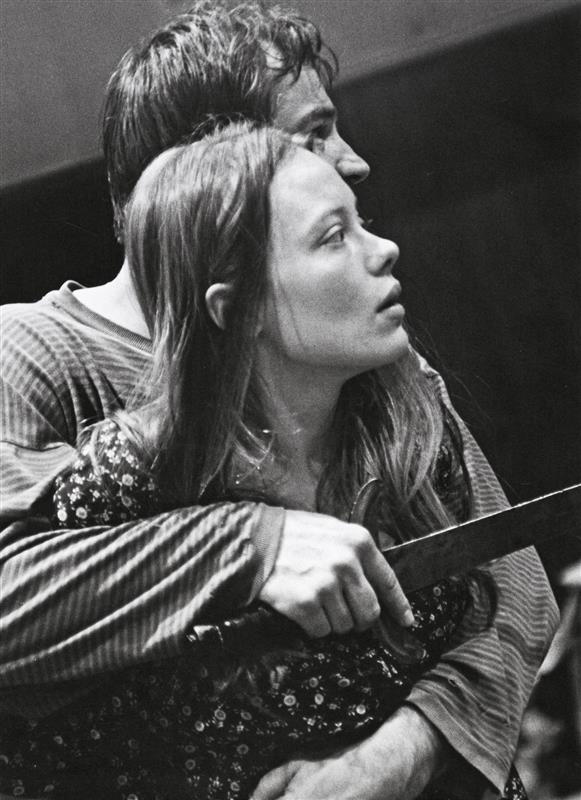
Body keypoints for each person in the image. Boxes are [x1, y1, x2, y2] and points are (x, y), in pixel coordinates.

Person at [0, 3, 558, 799]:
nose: (351, 162)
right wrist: (249, 542)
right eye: (311, 136)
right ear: (209, 168)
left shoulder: (361, 358)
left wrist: (400, 753)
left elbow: (515, 590)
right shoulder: (33, 352)